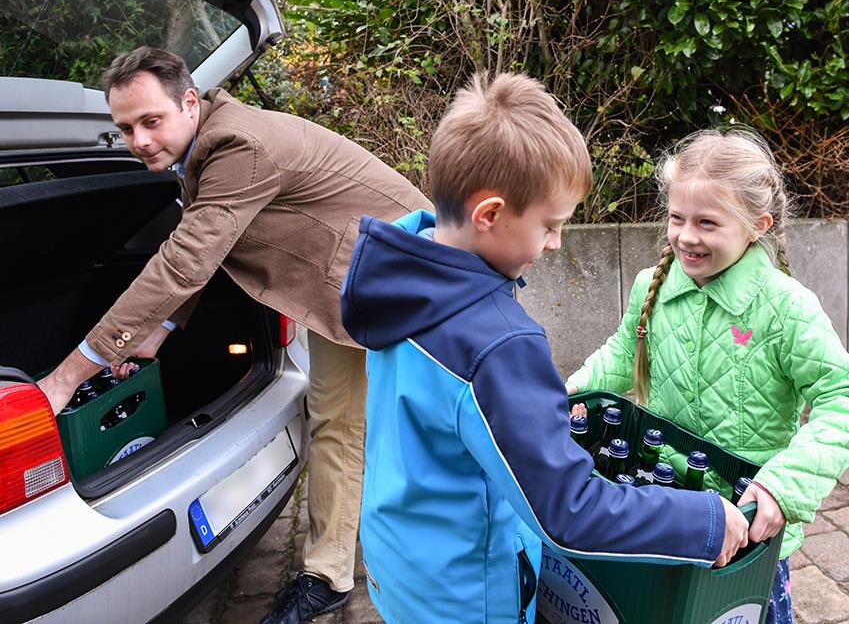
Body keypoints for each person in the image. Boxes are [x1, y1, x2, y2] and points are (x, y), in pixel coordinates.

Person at [35, 46, 432, 624]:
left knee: (420, 425)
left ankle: (441, 556)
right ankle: (331, 572)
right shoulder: (204, 146)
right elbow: (207, 241)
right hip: (345, 289)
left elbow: (184, 261)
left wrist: (66, 378)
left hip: (409, 284)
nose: (140, 140)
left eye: (151, 121)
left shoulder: (237, 146)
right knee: (336, 422)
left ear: (189, 102)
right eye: (126, 128)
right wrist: (161, 330)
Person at [339, 73, 749, 624]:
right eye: (550, 226)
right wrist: (703, 522)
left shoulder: (400, 272)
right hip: (469, 596)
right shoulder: (498, 343)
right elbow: (567, 510)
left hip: (403, 567)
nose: (556, 243)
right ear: (489, 214)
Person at [567, 128, 849, 624]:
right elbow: (621, 351)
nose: (686, 236)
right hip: (663, 506)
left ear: (756, 225)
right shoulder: (651, 286)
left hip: (748, 531)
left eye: (708, 222)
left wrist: (784, 486)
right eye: (677, 218)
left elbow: (840, 395)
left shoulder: (787, 308)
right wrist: (568, 392)